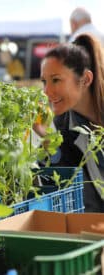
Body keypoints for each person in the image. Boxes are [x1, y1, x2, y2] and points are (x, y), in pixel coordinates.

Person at [36, 33, 104, 212]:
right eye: (45, 82)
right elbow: (68, 185)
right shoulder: (64, 123)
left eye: (56, 80)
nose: (47, 91)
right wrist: (48, 139)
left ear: (86, 80)